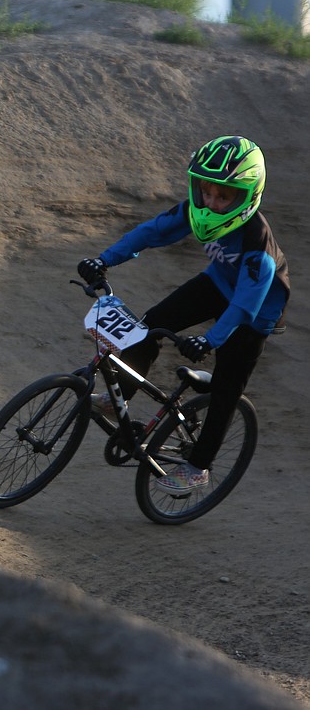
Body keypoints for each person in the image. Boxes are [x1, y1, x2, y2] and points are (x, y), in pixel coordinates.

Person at [77, 135, 290, 493]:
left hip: (254, 312)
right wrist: (104, 259)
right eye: (206, 191)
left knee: (226, 387)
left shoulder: (257, 245)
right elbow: (153, 231)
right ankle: (121, 399)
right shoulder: (196, 210)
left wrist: (210, 340)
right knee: (148, 327)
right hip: (218, 284)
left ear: (248, 195)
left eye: (224, 196)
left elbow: (244, 305)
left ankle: (198, 467)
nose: (211, 202)